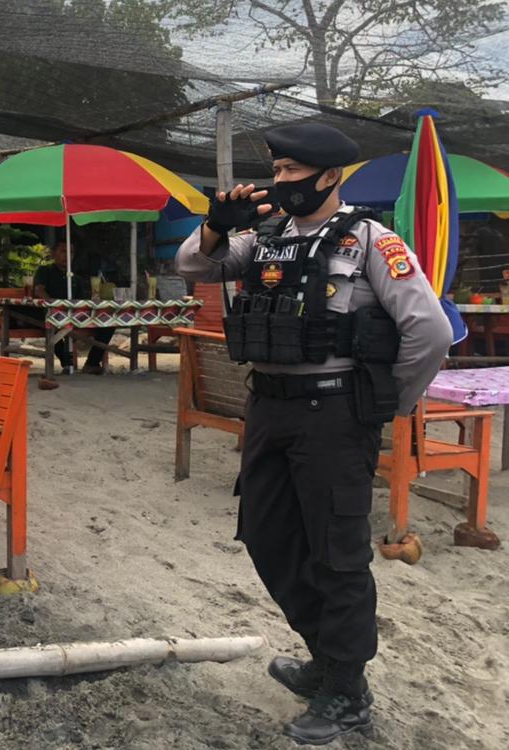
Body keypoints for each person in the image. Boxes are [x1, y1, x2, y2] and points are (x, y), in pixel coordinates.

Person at [175, 122, 451, 745]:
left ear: (329, 176)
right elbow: (192, 264)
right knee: (266, 534)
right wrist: (216, 224)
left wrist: (384, 402)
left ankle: (347, 689)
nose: (280, 181)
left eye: (292, 171)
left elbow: (430, 332)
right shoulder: (264, 239)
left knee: (337, 552)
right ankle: (325, 657)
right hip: (269, 408)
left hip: (336, 412)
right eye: (276, 171)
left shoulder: (371, 241)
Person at [31, 240, 115, 386]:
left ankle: (92, 363)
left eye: (71, 252)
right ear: (53, 254)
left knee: (109, 323)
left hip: (74, 316)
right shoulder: (45, 271)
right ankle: (67, 363)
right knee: (52, 326)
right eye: (63, 251)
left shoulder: (75, 279)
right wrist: (54, 305)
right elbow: (39, 290)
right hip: (50, 314)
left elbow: (81, 300)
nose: (67, 256)